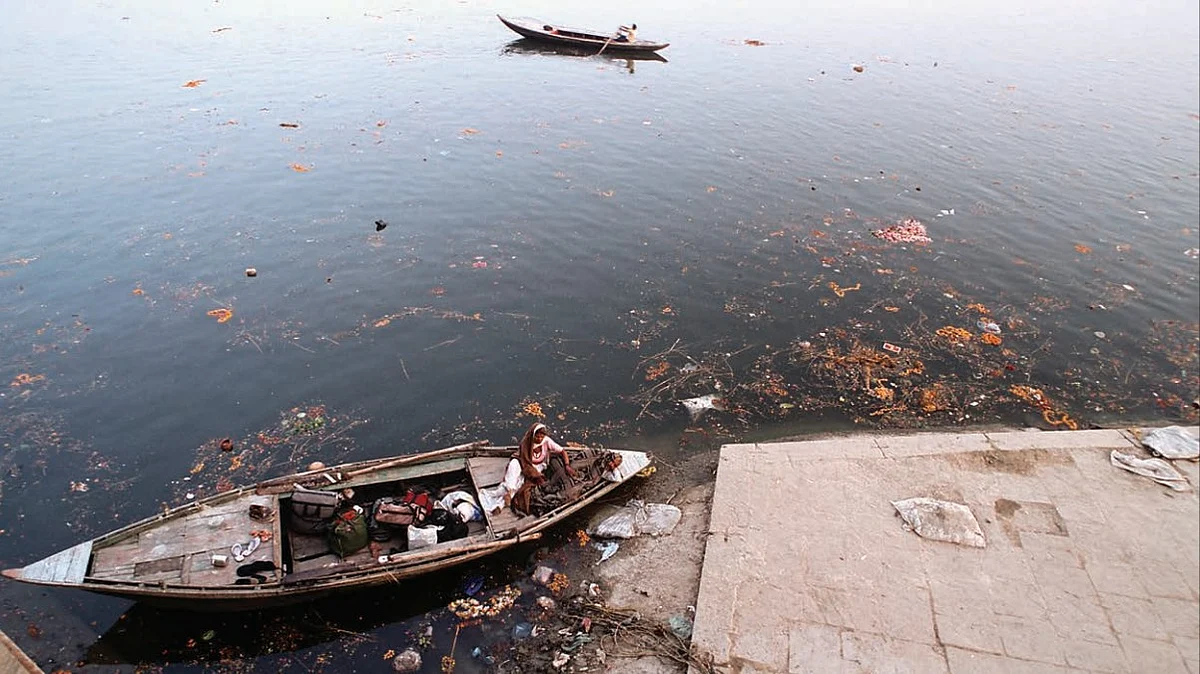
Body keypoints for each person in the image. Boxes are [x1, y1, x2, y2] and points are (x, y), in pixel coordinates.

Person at [502, 423, 576, 513]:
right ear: (533, 435)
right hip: (525, 464)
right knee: (514, 469)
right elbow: (525, 461)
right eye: (537, 437)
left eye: (541, 437)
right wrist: (530, 471)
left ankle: (510, 496)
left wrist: (567, 465)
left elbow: (562, 451)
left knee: (523, 484)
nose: (539, 439)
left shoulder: (546, 441)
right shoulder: (526, 442)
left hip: (539, 467)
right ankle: (508, 493)